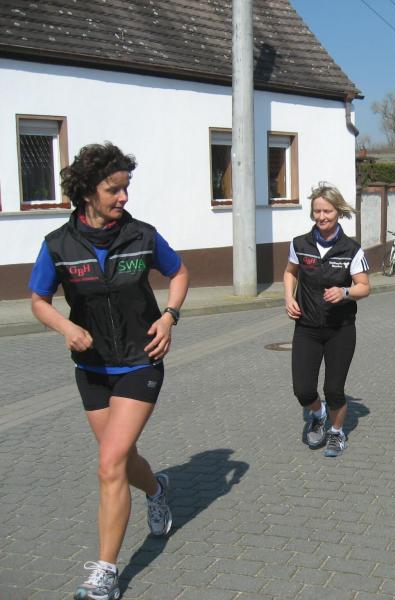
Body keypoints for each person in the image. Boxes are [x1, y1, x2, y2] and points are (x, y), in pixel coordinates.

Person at [28, 142, 190, 600]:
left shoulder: (141, 235)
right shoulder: (58, 245)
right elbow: (39, 300)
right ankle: (156, 489)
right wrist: (65, 327)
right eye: (113, 189)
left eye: (126, 187)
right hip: (92, 369)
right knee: (121, 458)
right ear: (87, 192)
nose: (123, 197)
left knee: (108, 464)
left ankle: (105, 573)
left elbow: (179, 273)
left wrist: (169, 317)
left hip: (141, 361)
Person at [284, 183, 370, 458]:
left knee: (333, 389)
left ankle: (336, 432)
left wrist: (345, 292)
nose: (321, 217)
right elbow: (290, 272)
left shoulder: (351, 249)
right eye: (317, 211)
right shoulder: (300, 244)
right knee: (302, 389)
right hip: (307, 328)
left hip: (340, 329)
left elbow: (364, 287)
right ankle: (318, 414)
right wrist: (288, 297)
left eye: (327, 211)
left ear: (338, 212)